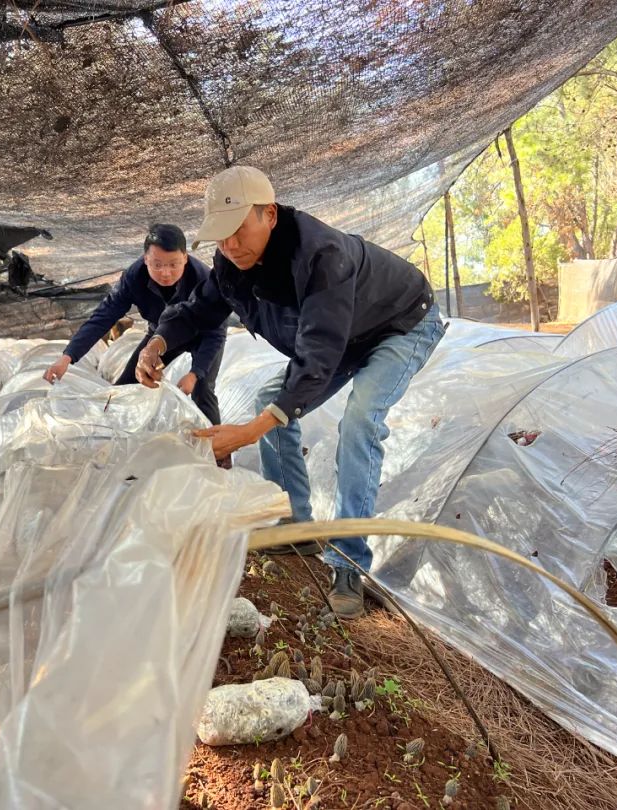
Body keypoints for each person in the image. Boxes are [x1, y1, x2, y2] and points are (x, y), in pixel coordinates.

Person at [136, 166, 444, 618]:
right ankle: (294, 525)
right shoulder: (230, 264)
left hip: (399, 325)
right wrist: (158, 342)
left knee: (359, 421)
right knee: (269, 402)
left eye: (240, 231)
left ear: (270, 215)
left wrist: (247, 434)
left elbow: (318, 355)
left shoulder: (322, 256)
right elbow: (196, 310)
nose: (231, 246)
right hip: (343, 337)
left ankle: (348, 564)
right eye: (220, 237)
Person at [44, 223, 225, 426]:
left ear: (185, 257)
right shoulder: (134, 277)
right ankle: (113, 435)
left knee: (203, 390)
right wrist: (67, 357)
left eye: (173, 265)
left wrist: (195, 373)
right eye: (157, 264)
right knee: (127, 385)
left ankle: (220, 454)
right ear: (145, 259)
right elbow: (104, 316)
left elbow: (216, 332)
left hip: (203, 334)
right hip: (160, 337)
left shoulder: (203, 279)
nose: (165, 273)